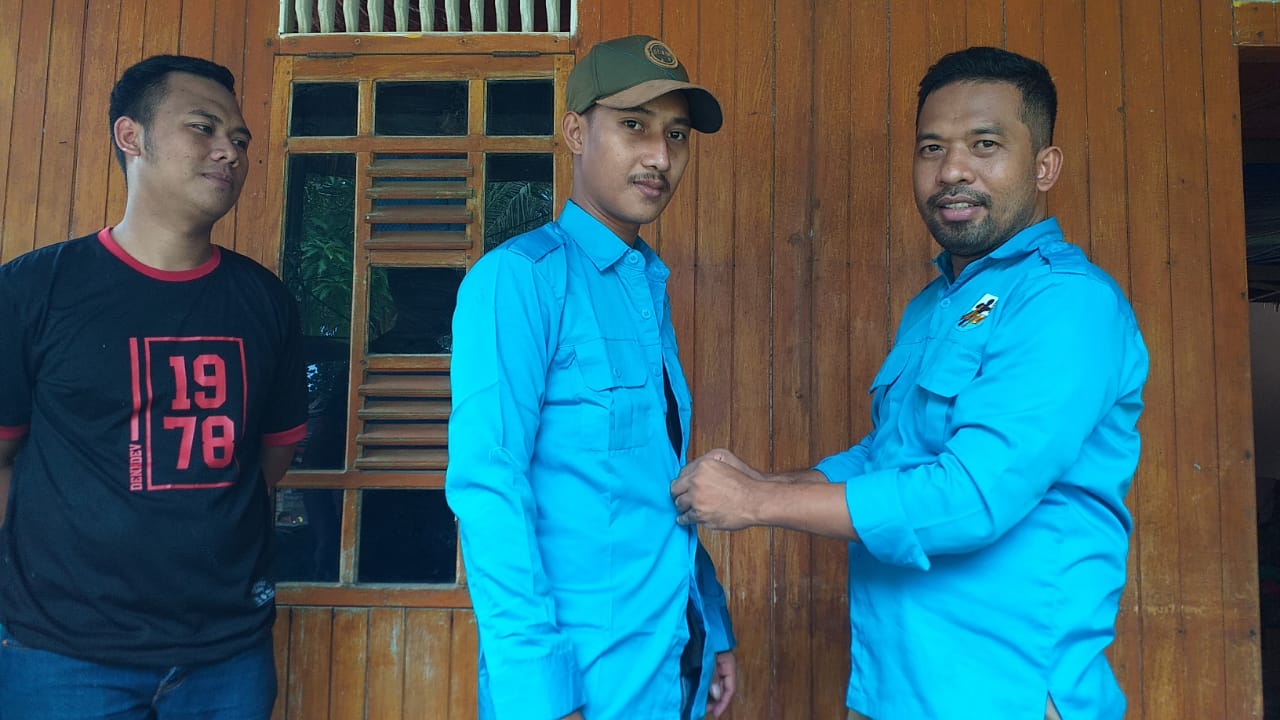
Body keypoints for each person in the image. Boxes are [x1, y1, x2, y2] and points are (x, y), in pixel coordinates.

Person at [670, 46, 1149, 720]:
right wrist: (768, 480)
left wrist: (757, 502)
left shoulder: (1067, 303)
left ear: (1045, 166)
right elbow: (886, 454)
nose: (952, 170)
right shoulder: (938, 305)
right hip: (893, 686)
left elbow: (971, 495)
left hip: (1000, 694)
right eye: (932, 148)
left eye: (985, 144)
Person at [0, 55, 307, 718]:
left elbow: (269, 458)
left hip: (227, 656)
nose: (230, 150)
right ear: (130, 136)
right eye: (204, 127)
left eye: (240, 138)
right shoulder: (32, 290)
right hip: (61, 657)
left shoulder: (265, 303)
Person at [446, 34, 737, 720]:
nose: (660, 155)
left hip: (669, 660)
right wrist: (541, 697)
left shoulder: (646, 285)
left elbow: (652, 485)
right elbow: (489, 490)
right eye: (634, 125)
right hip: (582, 681)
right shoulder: (518, 281)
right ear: (576, 132)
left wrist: (712, 626)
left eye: (676, 135)